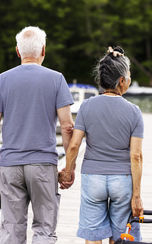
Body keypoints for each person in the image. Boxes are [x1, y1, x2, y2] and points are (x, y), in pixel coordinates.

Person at [59, 46, 144, 244]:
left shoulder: (87, 107)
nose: (130, 79)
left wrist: (68, 171)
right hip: (122, 181)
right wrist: (137, 196)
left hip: (93, 179)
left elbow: (73, 146)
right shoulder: (134, 112)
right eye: (129, 75)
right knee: (121, 236)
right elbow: (136, 156)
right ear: (122, 81)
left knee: (93, 235)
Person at [0, 26, 74, 244]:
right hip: (43, 165)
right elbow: (67, 125)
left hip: (10, 164)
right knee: (44, 228)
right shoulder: (56, 79)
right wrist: (69, 167)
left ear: (17, 51)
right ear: (44, 50)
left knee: (11, 229)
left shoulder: (2, 80)